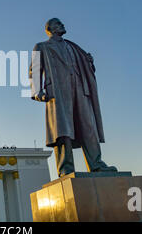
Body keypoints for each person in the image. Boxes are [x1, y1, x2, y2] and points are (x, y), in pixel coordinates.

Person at [30, 18, 117, 177]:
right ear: (50, 29)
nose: (63, 25)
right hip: (57, 92)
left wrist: (89, 63)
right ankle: (66, 168)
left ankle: (96, 164)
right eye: (58, 23)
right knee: (63, 131)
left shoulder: (73, 47)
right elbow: (34, 71)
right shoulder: (41, 47)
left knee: (88, 128)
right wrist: (37, 92)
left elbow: (84, 67)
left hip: (80, 89)